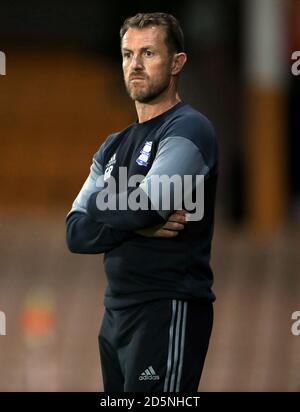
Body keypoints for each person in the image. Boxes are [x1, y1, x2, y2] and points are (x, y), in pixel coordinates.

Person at [66, 12, 218, 392]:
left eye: (148, 53)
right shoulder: (114, 144)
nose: (134, 64)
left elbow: (145, 207)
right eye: (127, 54)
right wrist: (136, 218)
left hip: (167, 306)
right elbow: (74, 232)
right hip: (115, 312)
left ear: (177, 62)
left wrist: (117, 206)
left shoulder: (189, 127)